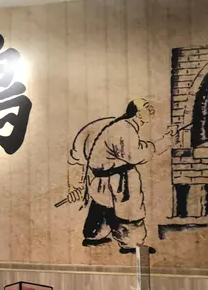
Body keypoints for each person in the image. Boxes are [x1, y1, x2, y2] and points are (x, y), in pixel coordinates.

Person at [66, 98, 168, 254]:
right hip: (118, 177)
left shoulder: (122, 127)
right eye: (146, 106)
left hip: (105, 177)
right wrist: (160, 144)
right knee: (129, 210)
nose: (151, 109)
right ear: (138, 113)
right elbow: (134, 155)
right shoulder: (125, 128)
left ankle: (94, 235)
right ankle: (131, 244)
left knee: (102, 205)